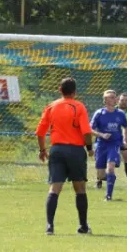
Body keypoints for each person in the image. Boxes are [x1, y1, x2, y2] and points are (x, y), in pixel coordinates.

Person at [36, 78, 93, 235]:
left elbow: (40, 132)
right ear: (74, 92)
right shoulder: (79, 106)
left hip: (57, 150)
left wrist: (42, 150)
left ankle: (49, 226)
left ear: (60, 90)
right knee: (80, 188)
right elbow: (86, 132)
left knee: (55, 188)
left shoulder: (51, 106)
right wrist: (89, 148)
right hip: (75, 151)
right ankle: (83, 226)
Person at [96, 93, 127, 191]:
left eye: (126, 100)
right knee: (104, 159)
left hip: (123, 138)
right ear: (118, 101)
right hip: (110, 138)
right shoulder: (112, 110)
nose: (124, 102)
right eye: (122, 100)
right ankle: (99, 181)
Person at [91, 90, 127, 201]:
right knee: (101, 175)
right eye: (111, 97)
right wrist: (102, 135)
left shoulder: (120, 114)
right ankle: (111, 178)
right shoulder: (99, 113)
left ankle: (108, 196)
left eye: (114, 97)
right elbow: (90, 129)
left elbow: (125, 128)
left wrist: (124, 140)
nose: (114, 99)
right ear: (105, 100)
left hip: (114, 143)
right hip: (101, 144)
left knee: (111, 168)